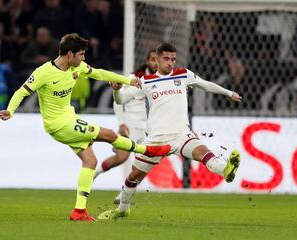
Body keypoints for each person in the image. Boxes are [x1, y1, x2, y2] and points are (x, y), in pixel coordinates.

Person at [0, 33, 171, 222]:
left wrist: (127, 80)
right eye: (81, 54)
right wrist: (10, 111)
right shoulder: (43, 72)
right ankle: (147, 150)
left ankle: (79, 211)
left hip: (70, 118)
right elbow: (21, 91)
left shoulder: (77, 67)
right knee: (109, 134)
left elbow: (100, 73)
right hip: (59, 124)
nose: (83, 58)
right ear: (70, 54)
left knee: (90, 161)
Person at [98, 42, 242, 220]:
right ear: (157, 60)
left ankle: (225, 170)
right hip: (156, 139)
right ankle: (122, 209)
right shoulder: (145, 82)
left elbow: (206, 85)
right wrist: (116, 91)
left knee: (204, 153)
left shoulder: (183, 75)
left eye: (173, 59)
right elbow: (121, 101)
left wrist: (228, 93)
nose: (170, 63)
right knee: (133, 177)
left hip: (181, 135)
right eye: (166, 59)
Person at [94, 49, 157, 203]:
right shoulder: (133, 78)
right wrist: (121, 123)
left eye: (158, 59)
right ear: (148, 61)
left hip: (148, 127)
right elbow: (118, 102)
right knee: (122, 157)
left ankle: (124, 194)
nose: (156, 62)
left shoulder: (162, 81)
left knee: (144, 163)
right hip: (130, 124)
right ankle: (94, 173)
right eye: (153, 59)